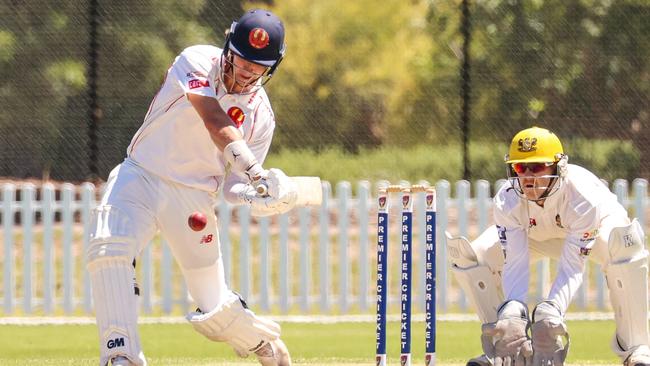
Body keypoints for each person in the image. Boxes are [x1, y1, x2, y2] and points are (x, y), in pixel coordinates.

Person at [86, 9, 296, 366]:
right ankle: (120, 355)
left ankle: (261, 342)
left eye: (257, 65)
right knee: (108, 246)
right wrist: (255, 171)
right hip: (141, 173)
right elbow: (214, 119)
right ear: (228, 49)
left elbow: (231, 187)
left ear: (271, 68)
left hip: (193, 200)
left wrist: (256, 193)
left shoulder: (262, 116)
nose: (246, 70)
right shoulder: (197, 60)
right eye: (242, 59)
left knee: (213, 310)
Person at [446, 126, 650, 366]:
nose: (529, 177)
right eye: (521, 168)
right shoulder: (507, 198)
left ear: (558, 167)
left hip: (595, 231)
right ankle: (505, 348)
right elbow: (516, 262)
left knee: (624, 247)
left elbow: (573, 266)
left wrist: (552, 310)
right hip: (534, 236)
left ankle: (637, 349)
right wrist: (513, 311)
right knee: (474, 258)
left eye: (538, 167)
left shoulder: (582, 197)